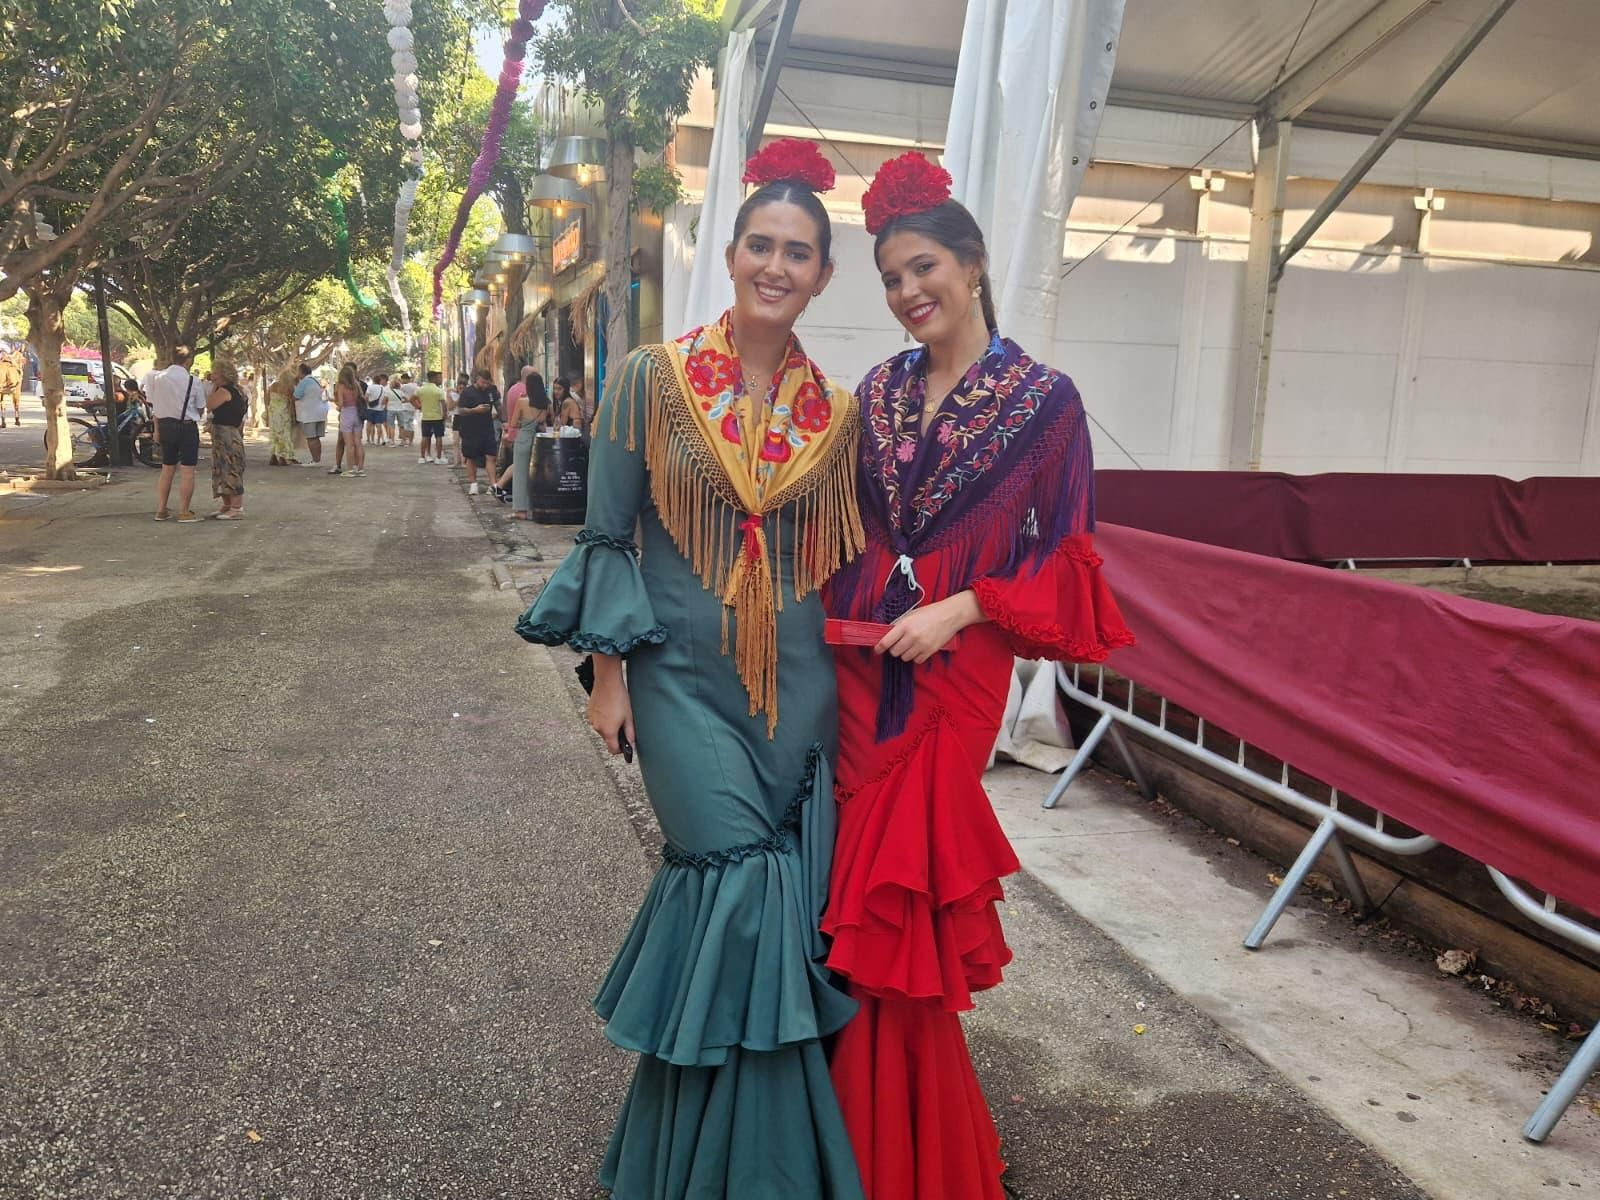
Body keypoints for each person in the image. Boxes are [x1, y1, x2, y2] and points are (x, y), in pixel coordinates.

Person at [515, 138, 866, 1197]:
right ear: (730, 253)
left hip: (798, 697)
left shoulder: (836, 411)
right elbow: (608, 536)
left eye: (797, 252)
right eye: (761, 244)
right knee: (735, 888)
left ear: (822, 275)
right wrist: (607, 677)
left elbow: (840, 559)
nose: (776, 265)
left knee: (780, 913)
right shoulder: (650, 379)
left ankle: (716, 1162)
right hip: (676, 682)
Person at [821, 152, 1135, 1200]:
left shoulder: (1046, 401)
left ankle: (902, 1154)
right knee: (851, 890)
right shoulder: (877, 390)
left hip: (958, 666)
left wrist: (959, 607)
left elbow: (1066, 551)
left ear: (973, 263)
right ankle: (870, 1135)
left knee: (905, 894)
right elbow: (844, 521)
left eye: (924, 268)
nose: (909, 292)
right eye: (891, 279)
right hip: (862, 657)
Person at [148, 345, 204, 522]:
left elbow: (155, 407)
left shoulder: (157, 378)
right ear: (189, 360)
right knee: (187, 471)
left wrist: (156, 429)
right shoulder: (193, 381)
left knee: (167, 468)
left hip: (165, 426)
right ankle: (184, 511)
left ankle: (161, 509)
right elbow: (200, 407)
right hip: (186, 427)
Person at [498, 371, 549, 518]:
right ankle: (534, 506)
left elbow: (513, 423)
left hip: (523, 439)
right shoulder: (544, 403)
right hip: (537, 440)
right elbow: (542, 422)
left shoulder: (522, 401)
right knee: (535, 474)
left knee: (520, 474)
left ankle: (521, 510)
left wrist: (523, 423)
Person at [204, 356, 249, 519]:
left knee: (229, 468)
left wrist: (212, 388)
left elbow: (209, 404)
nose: (212, 376)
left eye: (215, 373)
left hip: (226, 434)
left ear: (223, 374)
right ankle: (228, 504)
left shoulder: (223, 391)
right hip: (227, 433)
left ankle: (236, 508)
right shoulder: (237, 390)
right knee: (221, 468)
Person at [453, 369, 498, 495]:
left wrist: (504, 420)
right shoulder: (467, 393)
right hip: (470, 429)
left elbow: (498, 405)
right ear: (477, 379)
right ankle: (473, 483)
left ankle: (493, 484)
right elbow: (460, 410)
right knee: (471, 457)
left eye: (487, 383)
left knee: (491, 456)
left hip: (487, 428)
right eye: (483, 382)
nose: (485, 385)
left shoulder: (491, 390)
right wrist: (474, 410)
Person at [331, 362, 365, 476]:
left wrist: (336, 405)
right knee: (358, 443)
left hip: (346, 414)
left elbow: (340, 404)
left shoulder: (341, 386)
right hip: (357, 413)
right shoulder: (356, 385)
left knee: (349, 444)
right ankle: (360, 469)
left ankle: (350, 470)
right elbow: (362, 398)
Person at [292, 363, 329, 466]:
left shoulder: (304, 382)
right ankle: (317, 459)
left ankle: (315, 460)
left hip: (309, 414)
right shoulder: (315, 381)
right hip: (319, 413)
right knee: (316, 438)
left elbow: (296, 396)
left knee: (311, 438)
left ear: (301, 372)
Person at [414, 370, 447, 463]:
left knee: (425, 437)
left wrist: (419, 406)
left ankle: (422, 457)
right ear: (434, 378)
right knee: (438, 437)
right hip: (437, 417)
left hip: (426, 417)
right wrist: (444, 415)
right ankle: (438, 458)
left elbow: (412, 399)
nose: (440, 380)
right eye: (439, 378)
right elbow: (444, 405)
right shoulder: (438, 390)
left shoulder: (421, 389)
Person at [265, 371, 296, 465]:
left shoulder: (273, 386)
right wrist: (293, 416)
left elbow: (267, 399)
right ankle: (282, 457)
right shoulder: (289, 388)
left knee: (274, 435)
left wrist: (268, 411)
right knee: (284, 435)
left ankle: (273, 456)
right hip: (284, 414)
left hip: (273, 413)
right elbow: (291, 403)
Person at [364, 371, 391, 447]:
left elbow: (366, 397)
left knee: (369, 424)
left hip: (370, 408)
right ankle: (378, 440)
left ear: (373, 380)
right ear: (380, 381)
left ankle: (369, 439)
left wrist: (367, 404)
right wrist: (382, 405)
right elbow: (386, 398)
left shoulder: (370, 387)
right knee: (379, 425)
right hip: (380, 409)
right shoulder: (383, 388)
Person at [390, 371, 415, 451]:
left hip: (404, 407)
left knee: (404, 425)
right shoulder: (414, 386)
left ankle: (404, 441)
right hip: (412, 407)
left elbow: (394, 387)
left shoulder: (404, 386)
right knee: (411, 425)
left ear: (404, 379)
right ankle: (410, 441)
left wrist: (396, 381)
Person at [0, 347, 22, 428]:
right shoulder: (14, 356)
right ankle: (17, 418)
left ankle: (3, 420)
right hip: (13, 384)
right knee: (16, 397)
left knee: (1, 400)